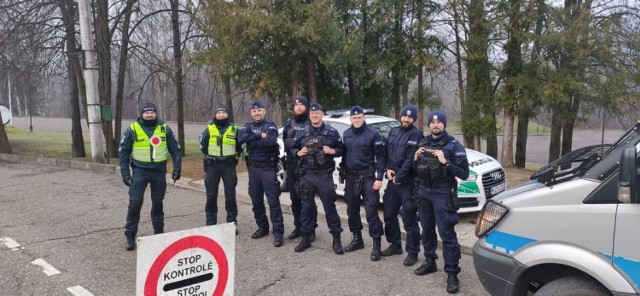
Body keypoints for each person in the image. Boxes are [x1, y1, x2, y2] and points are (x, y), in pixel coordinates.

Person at [413, 111, 468, 294]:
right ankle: (430, 261)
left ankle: (452, 273)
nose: (435, 125)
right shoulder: (423, 143)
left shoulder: (454, 146)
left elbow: (464, 174)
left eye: (439, 122)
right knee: (426, 229)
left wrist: (445, 162)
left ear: (444, 125)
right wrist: (415, 158)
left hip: (442, 193)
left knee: (446, 233)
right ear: (429, 125)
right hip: (424, 191)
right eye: (432, 122)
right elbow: (418, 169)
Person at [119, 102, 182, 251]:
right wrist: (125, 173)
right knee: (135, 203)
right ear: (141, 114)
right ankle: (130, 235)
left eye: (151, 112)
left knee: (158, 203)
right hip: (140, 171)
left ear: (156, 114)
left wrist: (177, 168)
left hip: (159, 172)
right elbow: (123, 152)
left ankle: (159, 234)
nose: (149, 115)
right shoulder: (132, 129)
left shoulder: (164, 128)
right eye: (146, 112)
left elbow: (175, 150)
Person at [290, 103, 344, 254]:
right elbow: (293, 148)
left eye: (317, 113)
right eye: (312, 113)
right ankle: (305, 238)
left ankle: (336, 239)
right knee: (306, 208)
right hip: (307, 175)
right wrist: (298, 152)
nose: (314, 115)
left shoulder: (331, 132)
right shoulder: (302, 133)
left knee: (330, 208)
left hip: (324, 176)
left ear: (322, 114)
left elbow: (341, 149)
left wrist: (332, 150)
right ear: (310, 115)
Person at [341, 106, 386, 261]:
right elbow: (344, 156)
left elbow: (381, 158)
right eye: (354, 118)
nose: (357, 120)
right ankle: (357, 239)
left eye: (359, 117)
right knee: (351, 210)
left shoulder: (373, 134)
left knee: (371, 212)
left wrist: (380, 178)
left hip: (368, 178)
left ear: (364, 117)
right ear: (350, 119)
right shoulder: (346, 134)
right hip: (351, 177)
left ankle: (376, 243)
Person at [237, 100, 285, 247]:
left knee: (273, 202)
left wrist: (253, 139)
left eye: (259, 111)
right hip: (253, 170)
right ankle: (262, 227)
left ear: (264, 112)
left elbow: (270, 141)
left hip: (268, 169)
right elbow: (241, 138)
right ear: (251, 113)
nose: (257, 113)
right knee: (256, 201)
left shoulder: (270, 125)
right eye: (254, 111)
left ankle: (278, 233)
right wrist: (259, 136)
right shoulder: (247, 126)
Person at [381, 105, 424, 267]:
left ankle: (413, 252)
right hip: (393, 182)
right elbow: (386, 154)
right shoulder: (393, 132)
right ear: (400, 117)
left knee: (409, 219)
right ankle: (395, 244)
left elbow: (411, 159)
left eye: (410, 117)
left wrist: (399, 176)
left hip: (407, 184)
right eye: (404, 116)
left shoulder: (417, 135)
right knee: (389, 215)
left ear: (413, 119)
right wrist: (387, 170)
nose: (406, 119)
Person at [198, 105, 241, 231]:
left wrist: (235, 158)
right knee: (211, 195)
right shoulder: (209, 129)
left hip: (229, 166)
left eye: (223, 112)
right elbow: (203, 145)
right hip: (213, 166)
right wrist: (210, 157)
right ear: (215, 115)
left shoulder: (234, 129)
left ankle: (231, 223)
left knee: (230, 195)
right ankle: (211, 223)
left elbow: (239, 146)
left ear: (227, 115)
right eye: (219, 113)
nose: (221, 115)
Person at [282, 96, 317, 241]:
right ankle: (298, 226)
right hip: (292, 166)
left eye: (302, 105)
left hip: (307, 167)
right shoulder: (289, 124)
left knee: (308, 199)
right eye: (297, 105)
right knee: (294, 199)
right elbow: (286, 142)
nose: (299, 107)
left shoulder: (312, 123)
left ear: (306, 107)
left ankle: (311, 229)